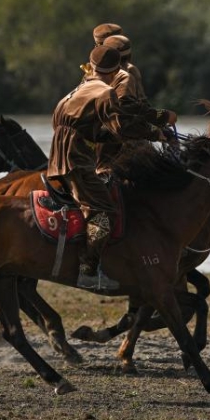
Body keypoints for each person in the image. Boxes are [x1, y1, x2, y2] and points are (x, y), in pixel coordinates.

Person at [48, 45, 165, 290]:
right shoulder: (105, 93)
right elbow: (123, 127)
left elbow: (84, 130)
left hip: (57, 156)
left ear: (92, 66)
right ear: (116, 71)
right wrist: (157, 131)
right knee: (103, 209)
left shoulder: (78, 90)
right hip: (76, 160)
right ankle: (88, 270)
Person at [96, 34, 177, 170]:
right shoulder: (127, 75)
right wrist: (162, 119)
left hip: (95, 141)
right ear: (130, 56)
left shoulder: (92, 75)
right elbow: (130, 110)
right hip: (117, 143)